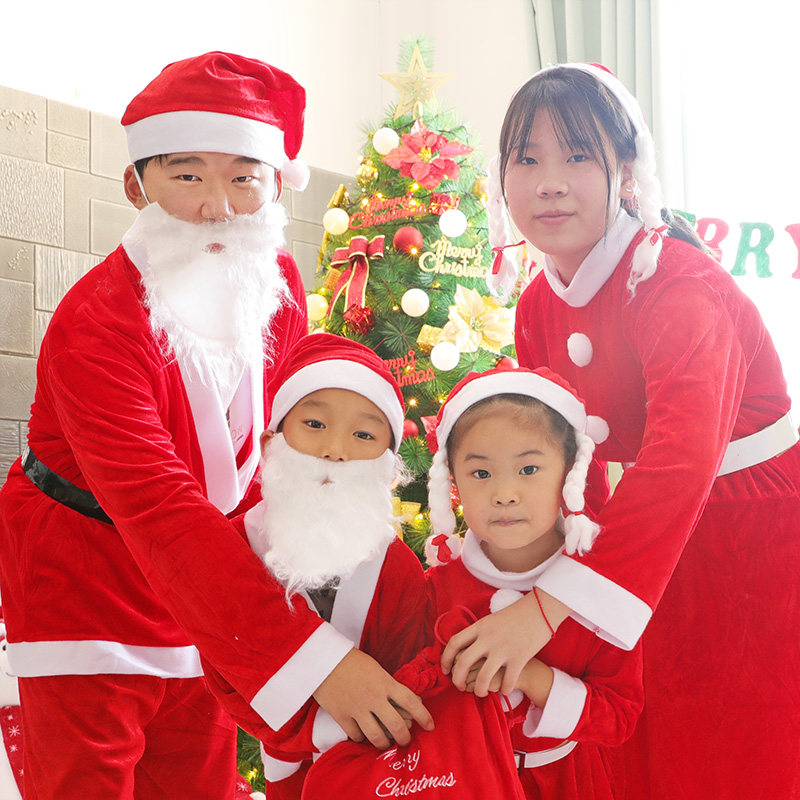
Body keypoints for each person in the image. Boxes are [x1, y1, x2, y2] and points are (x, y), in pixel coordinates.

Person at [0, 52, 429, 800]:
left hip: (210, 580)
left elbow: (287, 439)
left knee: (199, 781)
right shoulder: (95, 325)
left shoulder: (276, 281)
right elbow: (159, 505)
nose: (218, 207)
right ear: (137, 184)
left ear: (275, 187)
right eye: (187, 175)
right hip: (84, 573)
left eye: (243, 177)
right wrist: (316, 660)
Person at [446, 62, 800, 799]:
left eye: (578, 156)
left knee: (733, 753)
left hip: (741, 542)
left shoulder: (678, 283)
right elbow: (552, 455)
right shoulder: (537, 302)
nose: (549, 183)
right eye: (527, 160)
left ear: (628, 171)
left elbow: (679, 462)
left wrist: (548, 609)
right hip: (630, 550)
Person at [209, 333, 429, 799]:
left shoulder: (399, 569)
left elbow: (410, 679)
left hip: (384, 777)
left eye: (363, 435)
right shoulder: (232, 549)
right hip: (287, 776)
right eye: (314, 423)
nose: (335, 450)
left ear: (389, 465)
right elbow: (229, 676)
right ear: (271, 444)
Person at [420, 365, 642, 798]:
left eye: (528, 469)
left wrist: (530, 677)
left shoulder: (601, 589)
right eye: (481, 474)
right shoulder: (437, 586)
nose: (504, 494)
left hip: (568, 782)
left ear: (568, 473)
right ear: (454, 482)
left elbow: (619, 717)